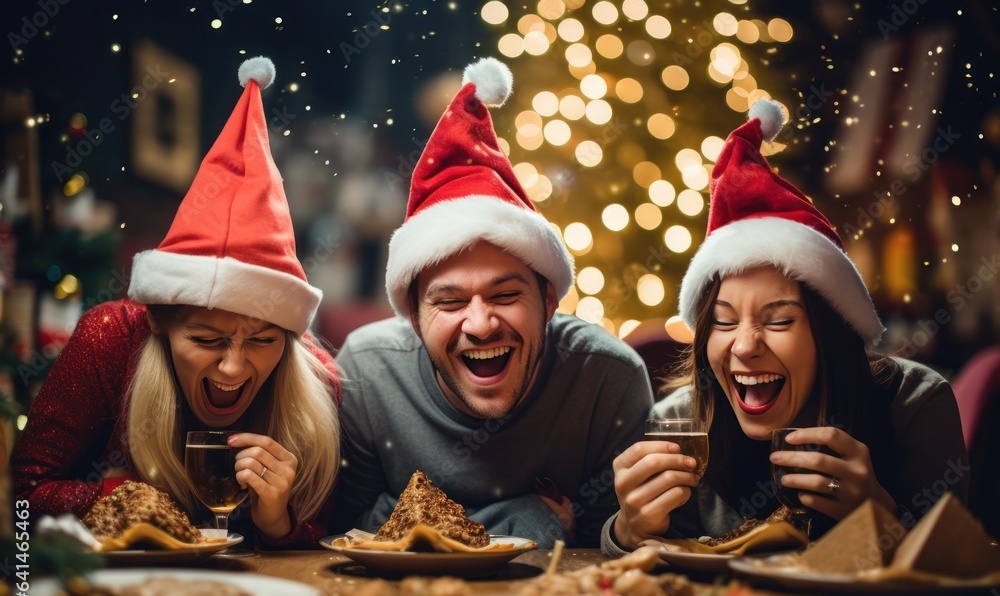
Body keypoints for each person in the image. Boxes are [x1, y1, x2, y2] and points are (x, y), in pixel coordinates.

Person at [605, 99, 970, 554]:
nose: (744, 345)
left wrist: (881, 517)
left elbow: (962, 573)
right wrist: (627, 530)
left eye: (778, 320)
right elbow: (646, 567)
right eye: (722, 321)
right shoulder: (680, 423)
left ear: (830, 333)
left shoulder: (915, 405)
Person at [12, 58, 340, 547]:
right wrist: (119, 498)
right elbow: (25, 497)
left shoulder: (317, 378)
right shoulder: (110, 339)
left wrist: (280, 520)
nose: (232, 368)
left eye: (264, 340)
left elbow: (326, 529)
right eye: (208, 338)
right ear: (158, 321)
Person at [332, 58, 653, 548]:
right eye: (450, 301)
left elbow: (612, 547)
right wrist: (524, 519)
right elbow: (346, 532)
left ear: (548, 300)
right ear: (414, 318)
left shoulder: (608, 379)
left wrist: (413, 512)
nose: (480, 325)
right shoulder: (368, 370)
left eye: (506, 295)